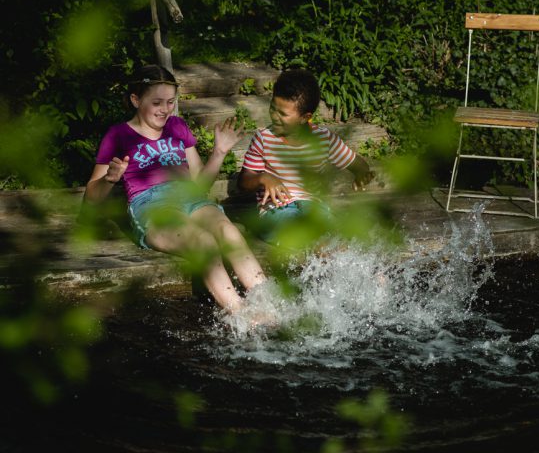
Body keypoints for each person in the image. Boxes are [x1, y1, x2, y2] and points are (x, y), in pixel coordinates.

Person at [84, 64, 267, 314]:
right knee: (202, 241)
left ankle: (271, 307)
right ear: (135, 99)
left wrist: (219, 153)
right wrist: (109, 180)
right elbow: (91, 198)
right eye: (157, 102)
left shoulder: (177, 127)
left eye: (170, 102)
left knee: (229, 231)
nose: (165, 110)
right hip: (151, 205)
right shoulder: (118, 135)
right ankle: (242, 317)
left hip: (190, 198)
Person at [237, 69, 374, 243]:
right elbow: (243, 183)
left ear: (305, 117)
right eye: (273, 108)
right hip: (277, 211)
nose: (275, 116)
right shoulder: (263, 139)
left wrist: (361, 174)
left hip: (315, 209)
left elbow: (358, 164)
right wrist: (263, 178)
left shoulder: (323, 139)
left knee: (339, 240)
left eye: (283, 114)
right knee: (305, 238)